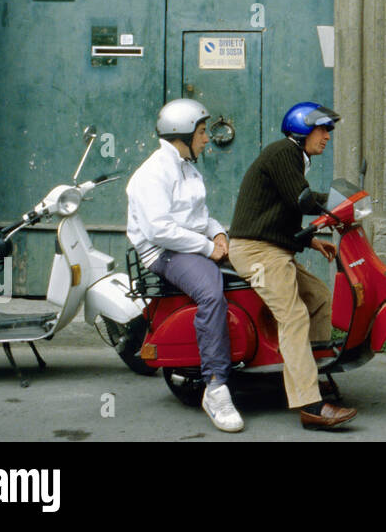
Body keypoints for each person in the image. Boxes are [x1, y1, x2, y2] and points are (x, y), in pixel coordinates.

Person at [227, 101, 357, 430]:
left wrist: (310, 240)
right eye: (322, 129)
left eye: (329, 130)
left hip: (271, 248)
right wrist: (341, 203)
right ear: (301, 128)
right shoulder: (284, 152)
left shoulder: (295, 158)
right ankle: (309, 405)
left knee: (318, 296)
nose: (327, 136)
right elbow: (299, 200)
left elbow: (275, 213)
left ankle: (311, 375)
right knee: (294, 315)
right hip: (257, 252)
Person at [126, 98, 244, 433]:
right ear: (182, 134)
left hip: (190, 245)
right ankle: (217, 387)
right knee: (210, 293)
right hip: (164, 253)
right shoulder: (153, 172)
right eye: (203, 132)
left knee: (258, 265)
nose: (207, 138)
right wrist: (209, 249)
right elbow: (159, 230)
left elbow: (199, 218)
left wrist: (219, 234)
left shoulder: (186, 166)